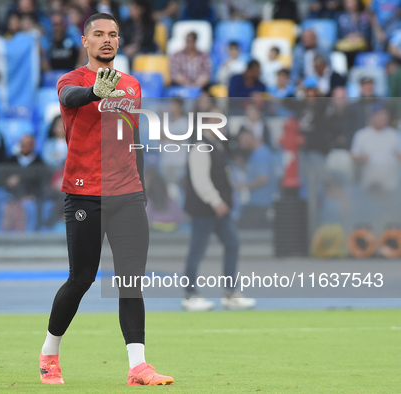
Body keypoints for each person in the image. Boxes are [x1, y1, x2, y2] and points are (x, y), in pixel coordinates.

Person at [39, 13, 173, 386]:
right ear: (85, 41)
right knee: (81, 278)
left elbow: (135, 137)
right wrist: (95, 92)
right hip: (84, 193)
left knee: (132, 282)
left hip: (127, 195)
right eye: (98, 34)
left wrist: (141, 189)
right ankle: (50, 352)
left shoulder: (131, 84)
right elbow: (70, 98)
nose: (106, 40)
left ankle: (138, 366)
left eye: (113, 34)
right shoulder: (72, 81)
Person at [182, 112, 256, 311]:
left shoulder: (217, 145)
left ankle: (230, 292)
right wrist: (215, 200)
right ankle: (190, 295)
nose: (221, 126)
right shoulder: (201, 146)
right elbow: (200, 179)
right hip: (206, 209)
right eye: (216, 122)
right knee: (197, 251)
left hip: (219, 210)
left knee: (232, 244)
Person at [351, 104, 401, 191]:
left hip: (389, 178)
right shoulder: (361, 135)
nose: (383, 119)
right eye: (380, 116)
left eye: (385, 116)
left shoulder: (394, 134)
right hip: (369, 176)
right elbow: (353, 156)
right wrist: (361, 158)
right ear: (372, 117)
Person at [234, 128, 276, 229]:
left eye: (241, 140)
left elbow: (263, 179)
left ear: (250, 138)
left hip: (260, 204)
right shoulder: (256, 154)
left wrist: (243, 185)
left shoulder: (261, 154)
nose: (240, 144)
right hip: (256, 203)